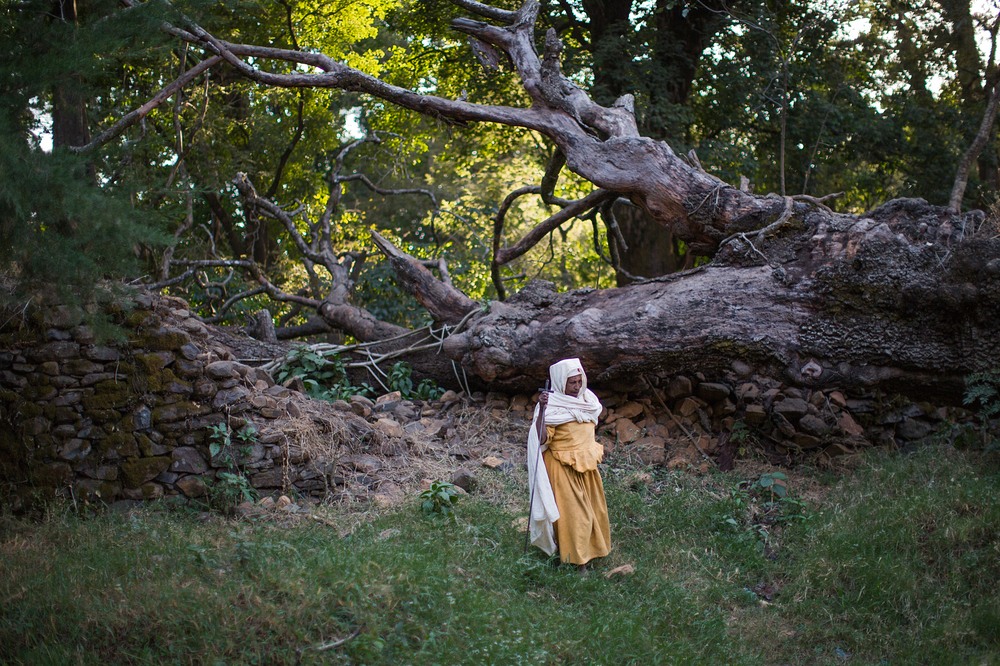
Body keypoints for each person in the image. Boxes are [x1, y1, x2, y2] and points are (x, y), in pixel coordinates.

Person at [526, 358, 611, 572]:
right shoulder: (552, 406)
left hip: (586, 467)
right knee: (575, 516)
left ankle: (593, 551)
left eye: (578, 380)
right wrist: (542, 412)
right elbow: (543, 438)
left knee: (594, 512)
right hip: (562, 468)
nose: (576, 386)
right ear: (560, 382)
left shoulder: (588, 400)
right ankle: (578, 562)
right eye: (571, 382)